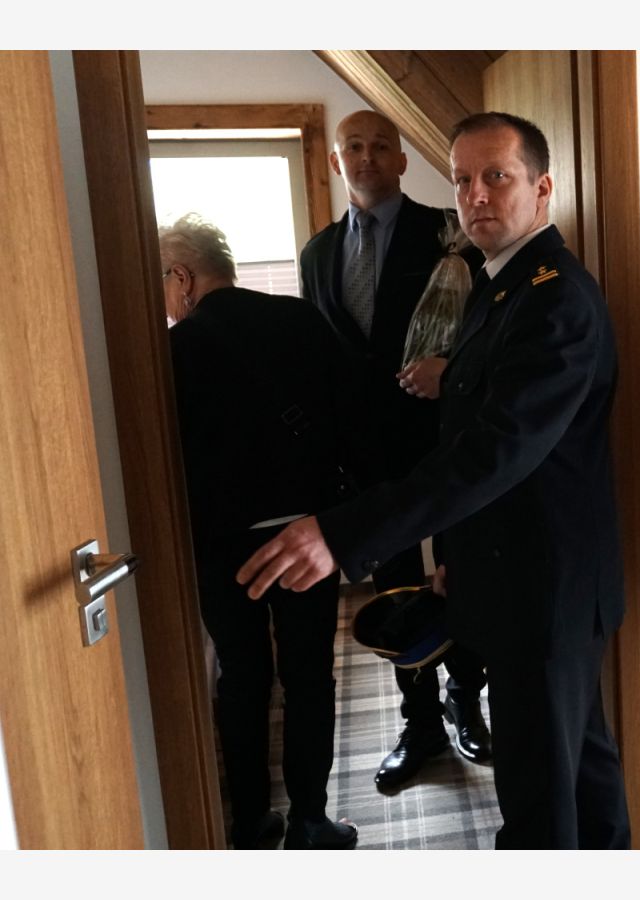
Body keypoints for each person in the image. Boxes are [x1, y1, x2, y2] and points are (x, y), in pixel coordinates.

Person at [237, 111, 631, 850]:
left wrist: (344, 533)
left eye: (497, 177)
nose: (476, 195)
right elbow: (467, 434)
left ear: (543, 188)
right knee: (580, 772)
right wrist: (456, 555)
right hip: (511, 570)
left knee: (542, 794)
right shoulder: (500, 283)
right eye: (462, 179)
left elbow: (493, 454)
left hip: (546, 585)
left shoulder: (555, 300)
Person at [300, 109, 490, 790]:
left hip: (443, 443)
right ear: (336, 161)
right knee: (396, 595)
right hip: (365, 460)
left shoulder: (448, 232)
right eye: (354, 146)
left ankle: (467, 700)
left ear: (403, 159)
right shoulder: (316, 254)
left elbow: (486, 326)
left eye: (382, 145)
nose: (367, 156)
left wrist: (451, 369)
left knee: (459, 574)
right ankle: (421, 723)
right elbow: (322, 355)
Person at [163, 214, 360, 850]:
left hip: (222, 544)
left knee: (242, 676)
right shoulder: (300, 320)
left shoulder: (174, 349)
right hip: (307, 534)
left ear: (182, 277)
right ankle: (310, 820)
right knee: (309, 675)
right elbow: (348, 415)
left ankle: (249, 821)